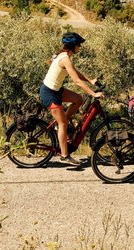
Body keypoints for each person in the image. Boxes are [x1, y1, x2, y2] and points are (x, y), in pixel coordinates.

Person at [40, 32, 103, 167]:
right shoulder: (65, 59)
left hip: (56, 90)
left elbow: (75, 72)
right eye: (78, 45)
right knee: (62, 125)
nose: (80, 47)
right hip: (49, 93)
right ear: (73, 46)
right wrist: (93, 94)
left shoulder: (65, 56)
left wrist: (90, 80)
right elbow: (76, 81)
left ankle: (63, 121)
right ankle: (64, 155)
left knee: (78, 99)